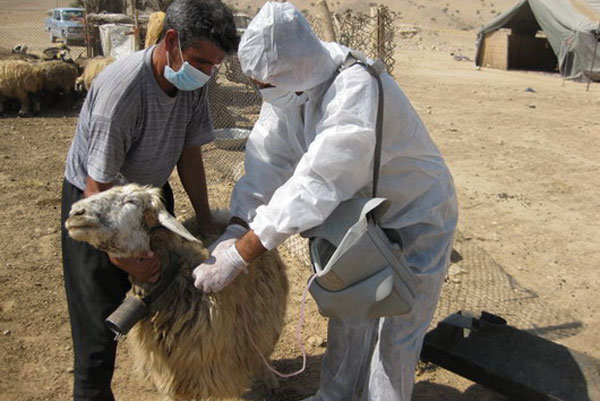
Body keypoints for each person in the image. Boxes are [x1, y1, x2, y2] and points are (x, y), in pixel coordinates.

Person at [192, 2, 458, 400]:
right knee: (349, 313)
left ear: (290, 70)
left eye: (264, 84)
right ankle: (334, 395)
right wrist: (236, 226)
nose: (260, 92)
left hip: (416, 216)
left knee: (396, 335)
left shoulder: (356, 87)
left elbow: (317, 183)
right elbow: (266, 161)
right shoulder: (291, 91)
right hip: (360, 224)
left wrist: (240, 254)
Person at [60, 1, 238, 399]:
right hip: (100, 204)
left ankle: (178, 382)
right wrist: (118, 254)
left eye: (214, 65)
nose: (207, 73)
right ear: (171, 41)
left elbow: (189, 154)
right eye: (200, 62)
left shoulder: (193, 84)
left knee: (169, 296)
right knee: (97, 326)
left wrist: (206, 219)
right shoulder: (122, 92)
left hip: (150, 198)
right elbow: (98, 186)